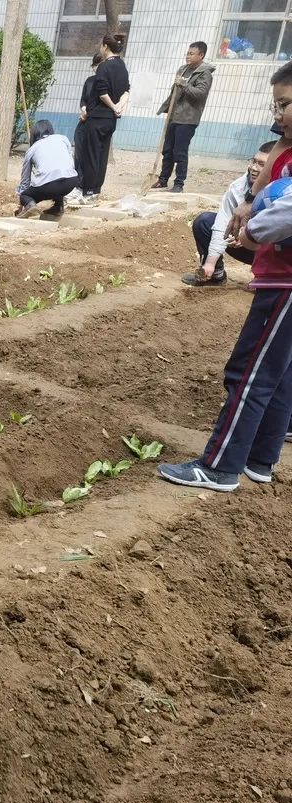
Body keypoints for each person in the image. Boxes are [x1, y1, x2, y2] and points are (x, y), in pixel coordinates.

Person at [157, 62, 292, 491]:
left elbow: (285, 214)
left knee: (248, 371)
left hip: (285, 281)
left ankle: (220, 466)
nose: (279, 113)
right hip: (281, 277)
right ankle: (259, 459)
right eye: (276, 104)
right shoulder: (284, 150)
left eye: (286, 104)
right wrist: (253, 199)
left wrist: (251, 232)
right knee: (280, 372)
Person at [183, 141, 274, 287]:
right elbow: (222, 222)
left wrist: (250, 235)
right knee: (205, 221)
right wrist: (210, 263)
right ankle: (215, 274)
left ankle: (271, 279)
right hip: (247, 247)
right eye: (253, 161)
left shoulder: (285, 191)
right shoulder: (238, 186)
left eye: (262, 164)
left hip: (275, 251)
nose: (253, 168)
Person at [75, 33, 130, 205]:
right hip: (110, 120)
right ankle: (96, 190)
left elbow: (102, 92)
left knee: (91, 155)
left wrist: (113, 106)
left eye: (101, 45)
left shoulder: (104, 67)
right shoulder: (122, 66)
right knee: (102, 155)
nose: (100, 48)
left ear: (106, 47)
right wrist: (120, 106)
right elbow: (126, 91)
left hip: (97, 118)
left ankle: (88, 192)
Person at [153, 41, 215, 193]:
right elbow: (175, 91)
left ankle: (179, 183)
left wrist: (183, 85)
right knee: (167, 150)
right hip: (174, 116)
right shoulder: (183, 69)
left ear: (201, 55)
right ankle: (163, 179)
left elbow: (200, 94)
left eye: (191, 53)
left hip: (188, 118)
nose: (188, 56)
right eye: (187, 53)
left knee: (179, 152)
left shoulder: (204, 73)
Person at [15, 120, 79, 218]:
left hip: (49, 186)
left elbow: (25, 181)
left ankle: (30, 205)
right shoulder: (63, 139)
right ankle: (58, 207)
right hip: (71, 181)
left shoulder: (32, 149)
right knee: (59, 177)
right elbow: (70, 162)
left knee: (25, 195)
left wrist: (22, 201)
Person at [66, 53, 101, 204]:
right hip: (84, 122)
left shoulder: (107, 84)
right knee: (79, 154)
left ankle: (89, 188)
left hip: (96, 123)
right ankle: (77, 185)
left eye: (98, 65)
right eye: (94, 66)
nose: (96, 69)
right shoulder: (89, 81)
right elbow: (83, 99)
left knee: (91, 157)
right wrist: (83, 108)